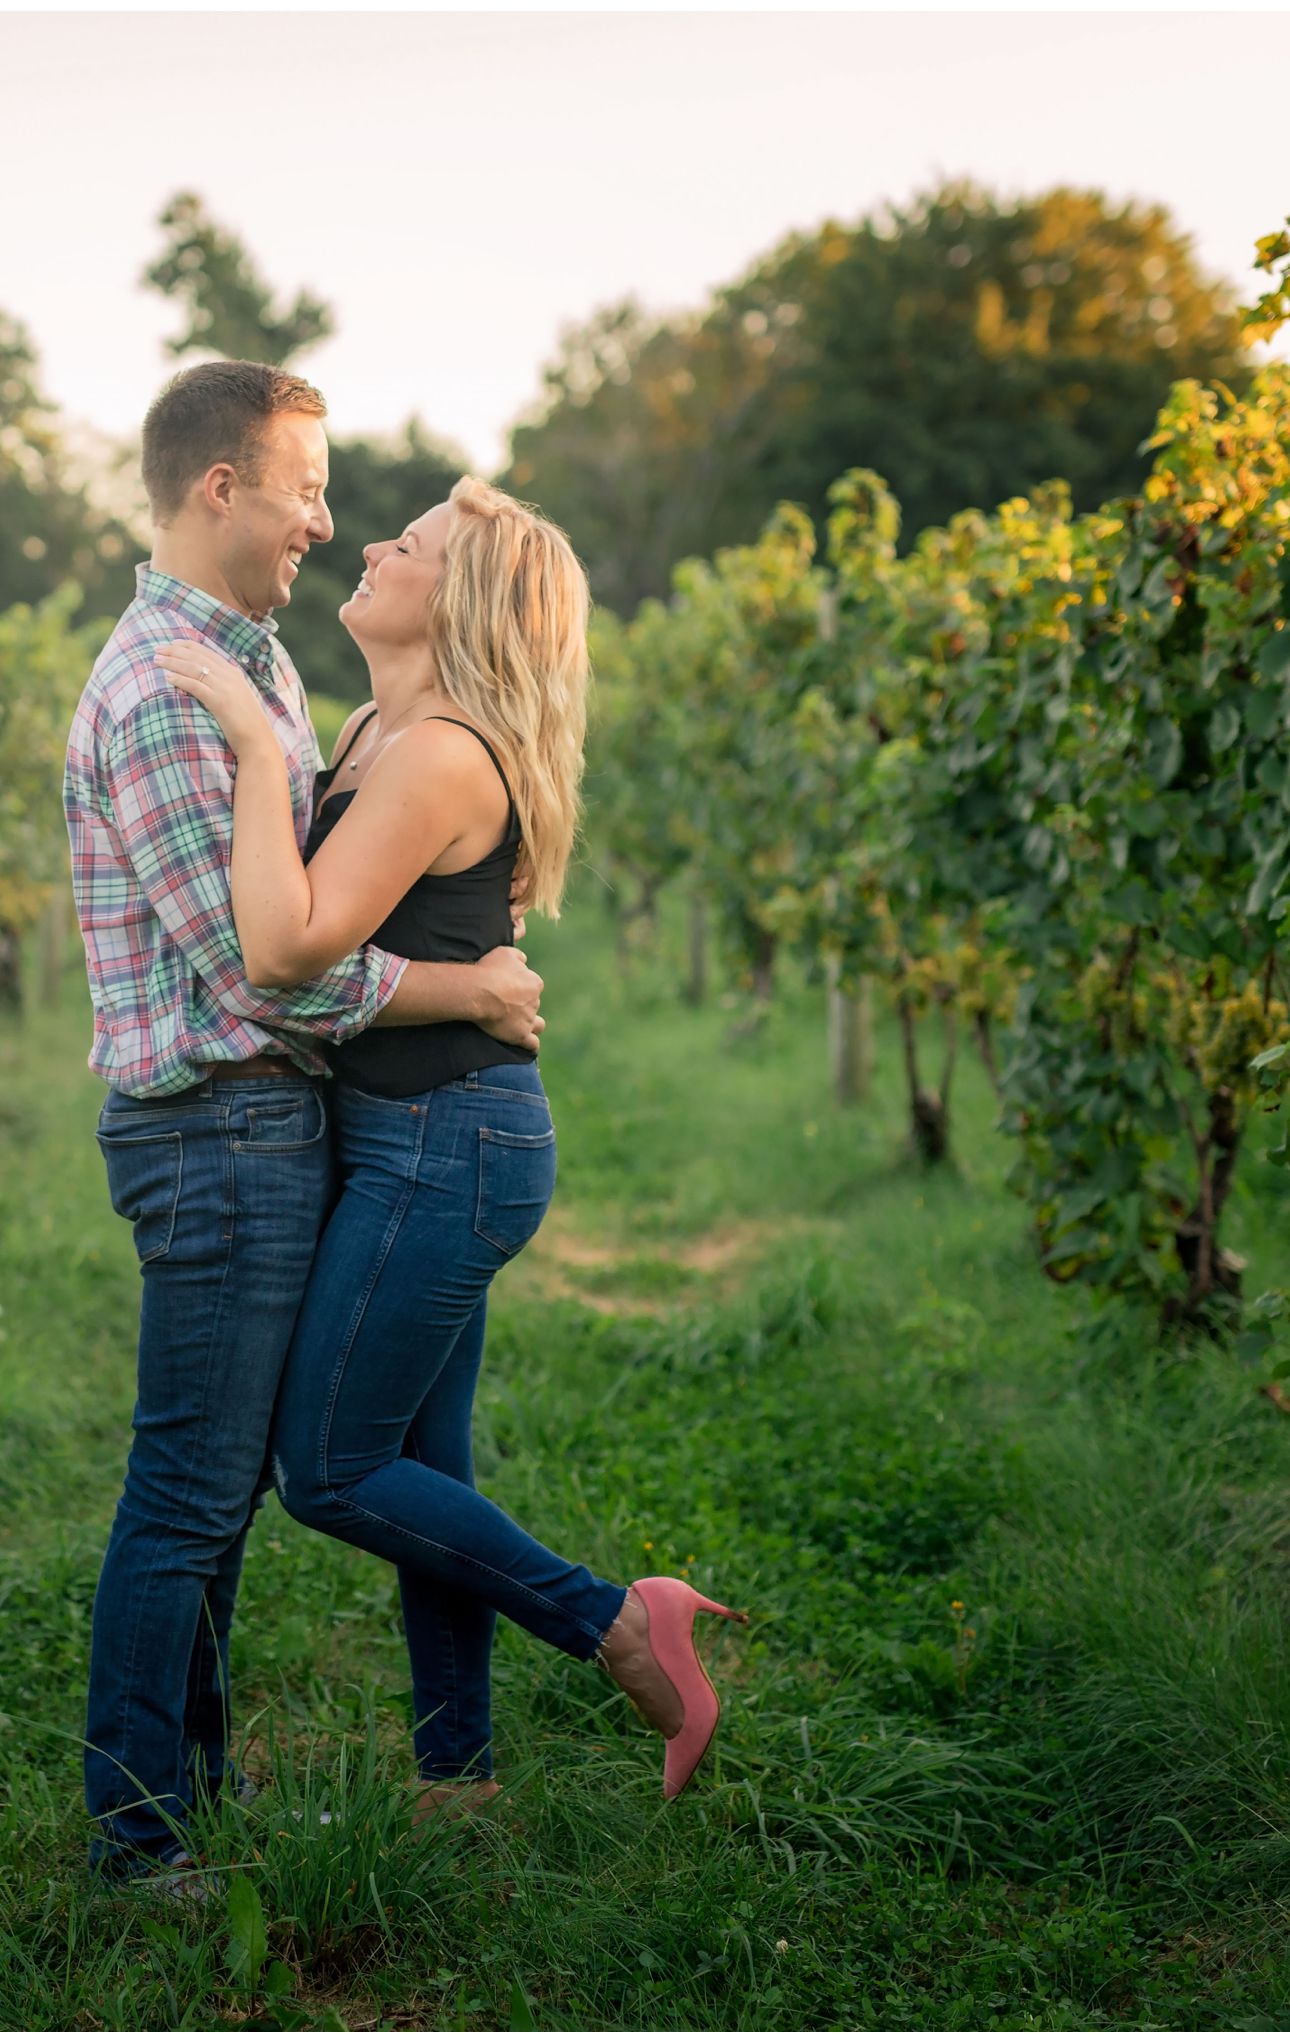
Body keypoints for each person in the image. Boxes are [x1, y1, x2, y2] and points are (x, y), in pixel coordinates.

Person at [154, 476, 737, 1821]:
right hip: (406, 1136)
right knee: (426, 1470)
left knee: (334, 1469)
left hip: (444, 1146)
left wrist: (249, 748)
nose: (369, 542)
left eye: (406, 544)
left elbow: (293, 943)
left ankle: (618, 1623)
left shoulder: (435, 756)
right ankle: (456, 1780)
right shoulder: (378, 726)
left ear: (458, 598)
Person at [61, 361, 548, 1882]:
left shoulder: (255, 664)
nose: (327, 525)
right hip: (217, 1125)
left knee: (226, 1495)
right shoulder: (163, 690)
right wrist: (464, 989)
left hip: (276, 1127)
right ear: (222, 489)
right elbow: (266, 971)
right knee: (192, 1493)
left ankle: (190, 1794)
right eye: (307, 489)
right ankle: (141, 1843)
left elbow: (321, 917)